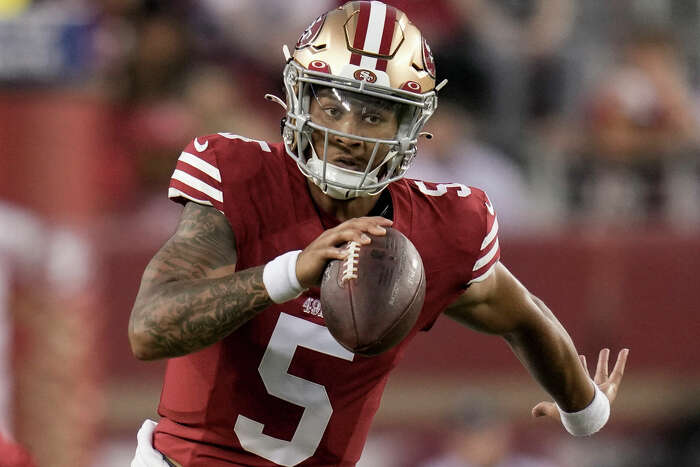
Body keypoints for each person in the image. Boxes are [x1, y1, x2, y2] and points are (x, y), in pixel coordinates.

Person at [128, 2, 629, 466]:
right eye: (332, 107)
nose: (348, 132)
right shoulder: (239, 175)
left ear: (409, 127)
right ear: (299, 99)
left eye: (373, 113)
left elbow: (524, 317)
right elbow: (149, 330)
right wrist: (288, 273)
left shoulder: (442, 231)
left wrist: (584, 409)